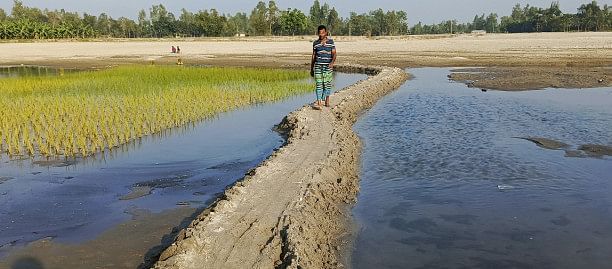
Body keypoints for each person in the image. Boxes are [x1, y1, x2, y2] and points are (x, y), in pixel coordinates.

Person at [310, 25, 336, 109]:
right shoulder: (315, 43)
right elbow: (313, 56)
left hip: (328, 66)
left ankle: (327, 99)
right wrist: (311, 68)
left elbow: (334, 54)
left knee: (327, 84)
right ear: (317, 33)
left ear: (326, 33)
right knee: (319, 84)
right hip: (318, 66)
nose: (321, 34)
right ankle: (319, 102)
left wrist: (332, 63)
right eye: (319, 33)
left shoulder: (331, 42)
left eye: (323, 32)